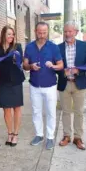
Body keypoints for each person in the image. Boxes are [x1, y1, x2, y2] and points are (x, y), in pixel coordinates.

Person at [23, 22, 64, 150]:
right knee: (36, 111)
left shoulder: (53, 47)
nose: (42, 35)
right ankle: (39, 135)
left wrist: (53, 66)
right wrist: (31, 66)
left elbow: (61, 65)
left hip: (50, 85)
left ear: (48, 31)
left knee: (51, 112)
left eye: (44, 32)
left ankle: (50, 137)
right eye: (39, 32)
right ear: (35, 31)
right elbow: (24, 65)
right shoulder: (29, 47)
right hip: (34, 85)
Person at [57, 21, 86, 150]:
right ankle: (66, 136)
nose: (67, 34)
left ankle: (78, 138)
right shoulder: (58, 47)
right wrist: (62, 72)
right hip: (64, 83)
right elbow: (56, 67)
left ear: (76, 32)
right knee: (66, 112)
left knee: (79, 112)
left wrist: (79, 70)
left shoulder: (85, 46)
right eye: (65, 31)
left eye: (70, 31)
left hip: (79, 83)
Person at [0, 26, 25, 147]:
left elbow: (19, 62)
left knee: (17, 108)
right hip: (3, 82)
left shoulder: (18, 47)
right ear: (3, 35)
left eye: (12, 34)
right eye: (9, 34)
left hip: (16, 81)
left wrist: (16, 58)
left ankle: (16, 134)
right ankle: (9, 133)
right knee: (6, 109)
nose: (11, 37)